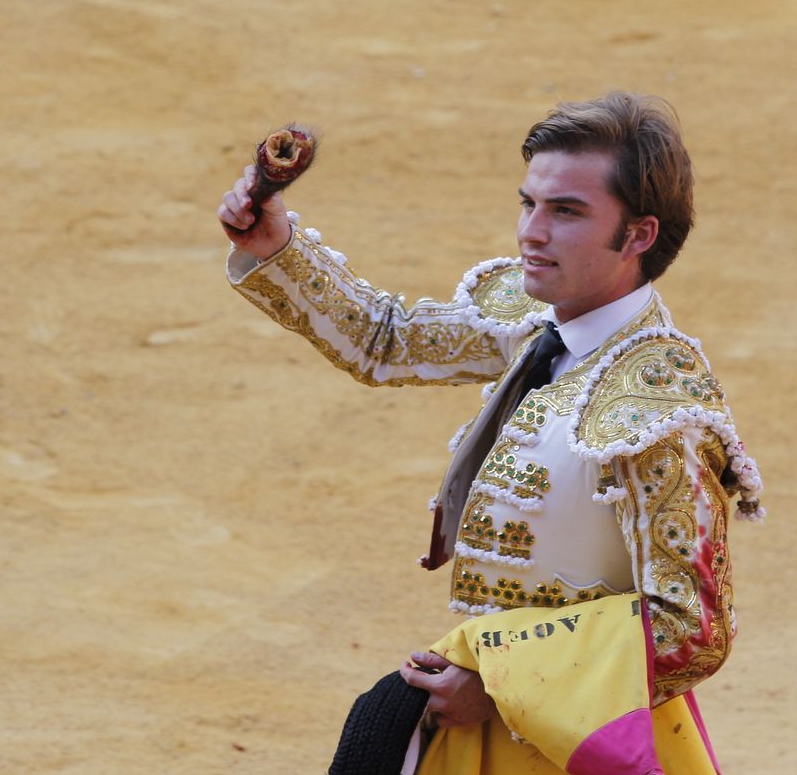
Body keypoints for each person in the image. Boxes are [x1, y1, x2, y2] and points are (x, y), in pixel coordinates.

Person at [217, 93, 763, 774]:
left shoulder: (656, 411)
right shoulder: (542, 321)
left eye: (566, 211)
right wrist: (277, 247)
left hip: (575, 738)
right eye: (528, 203)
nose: (531, 232)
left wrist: (506, 688)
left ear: (639, 235)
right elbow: (388, 342)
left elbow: (694, 629)